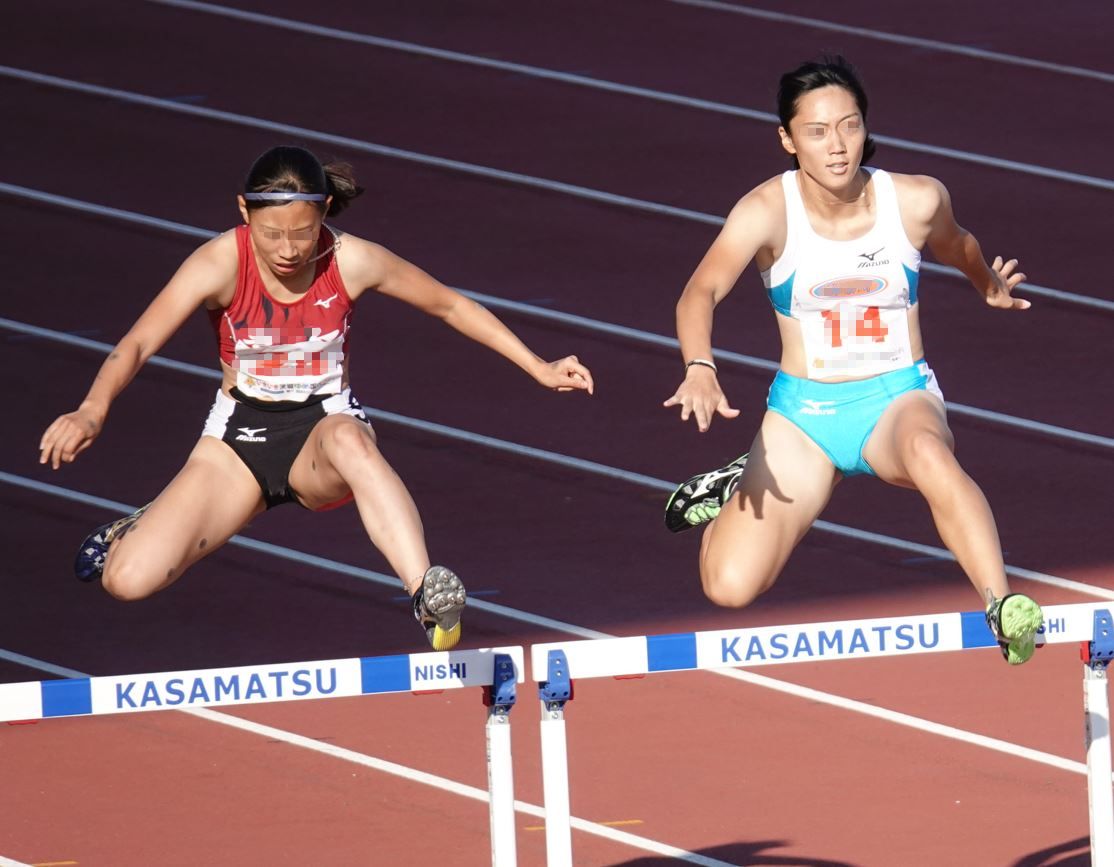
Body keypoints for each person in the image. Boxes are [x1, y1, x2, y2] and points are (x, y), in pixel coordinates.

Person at [39, 145, 594, 652]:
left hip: (322, 431)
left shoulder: (352, 260)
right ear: (243, 212)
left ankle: (426, 593)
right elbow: (138, 343)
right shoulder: (218, 262)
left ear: (325, 211)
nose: (287, 250)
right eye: (271, 234)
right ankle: (143, 524)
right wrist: (93, 409)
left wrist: (538, 366)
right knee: (127, 581)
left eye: (302, 234)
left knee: (352, 441)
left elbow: (449, 305)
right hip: (236, 441)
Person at [661, 57, 1042, 664]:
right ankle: (742, 480)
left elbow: (958, 243)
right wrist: (700, 367)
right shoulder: (766, 211)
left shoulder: (914, 199)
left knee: (928, 453)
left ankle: (1002, 604)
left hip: (896, 398)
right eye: (816, 131)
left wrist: (987, 284)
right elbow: (699, 292)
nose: (837, 146)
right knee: (729, 587)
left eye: (849, 125)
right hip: (804, 417)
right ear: (788, 139)